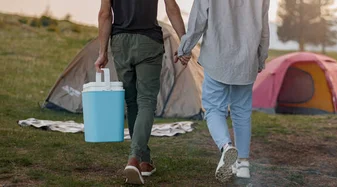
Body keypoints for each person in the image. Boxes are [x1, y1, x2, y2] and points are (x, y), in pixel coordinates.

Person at [94, 0, 190, 184]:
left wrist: (102, 52)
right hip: (148, 41)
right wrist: (184, 40)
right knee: (146, 101)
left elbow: (105, 14)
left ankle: (144, 161)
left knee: (132, 103)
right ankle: (135, 158)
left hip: (121, 42)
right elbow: (171, 7)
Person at [176, 0, 270, 182]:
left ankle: (226, 147)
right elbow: (264, 27)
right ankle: (243, 164)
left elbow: (197, 21)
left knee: (213, 108)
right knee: (242, 112)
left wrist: (185, 49)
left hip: (217, 56)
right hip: (246, 58)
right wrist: (260, 58)